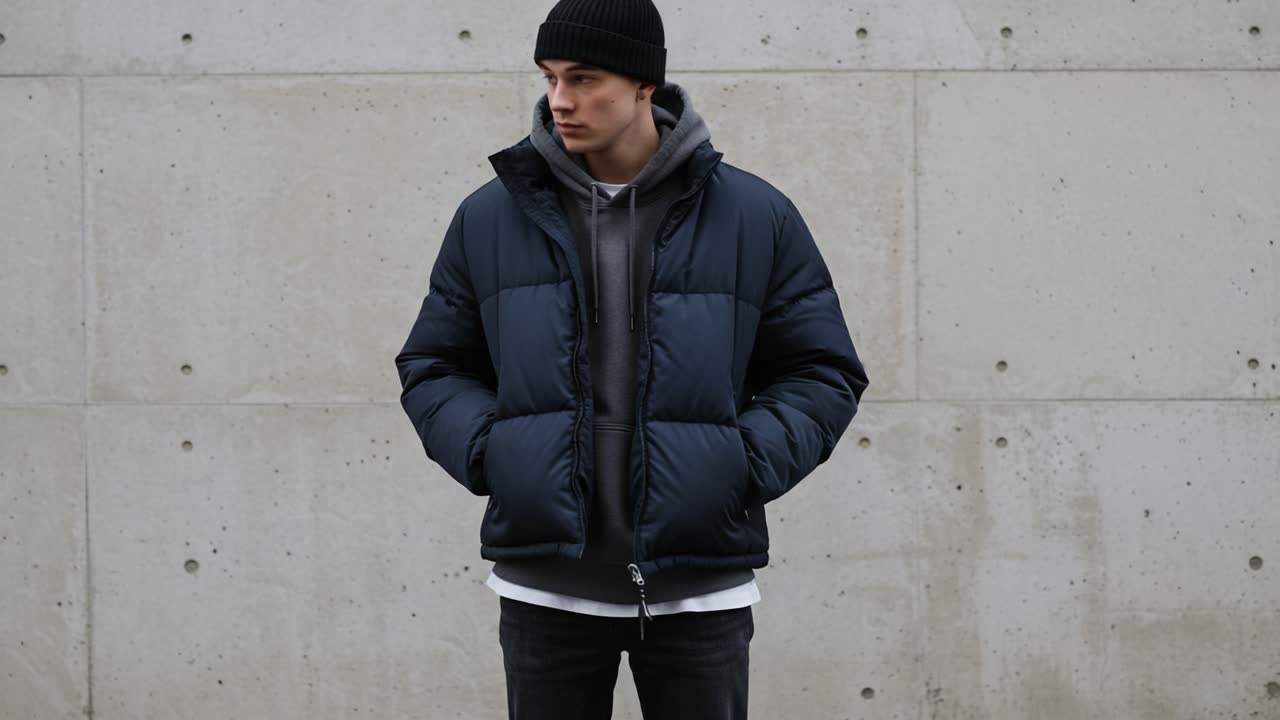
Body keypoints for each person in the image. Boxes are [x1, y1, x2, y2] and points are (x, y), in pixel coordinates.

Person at [394, 0, 870, 717]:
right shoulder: (491, 218)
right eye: (551, 77)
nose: (560, 100)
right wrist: (494, 454)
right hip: (544, 586)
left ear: (646, 85)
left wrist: (742, 463)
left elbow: (822, 370)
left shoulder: (753, 215)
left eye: (585, 78)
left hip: (698, 588)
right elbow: (434, 364)